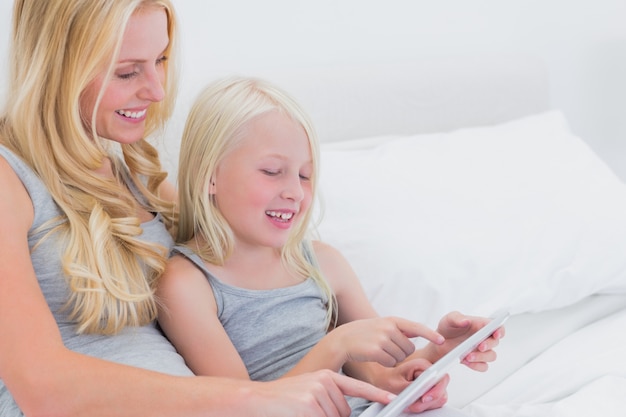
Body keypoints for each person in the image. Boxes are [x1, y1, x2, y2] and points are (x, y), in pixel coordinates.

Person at [0, 1, 398, 416]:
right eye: (127, 71)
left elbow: (261, 281)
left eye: (161, 60)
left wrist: (403, 363)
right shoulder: (8, 178)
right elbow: (41, 386)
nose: (155, 90)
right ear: (56, 66)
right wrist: (254, 398)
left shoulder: (138, 179)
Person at [156, 76, 505, 416]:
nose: (295, 191)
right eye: (273, 170)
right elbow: (242, 407)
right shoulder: (187, 283)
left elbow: (381, 377)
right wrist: (335, 346)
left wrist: (435, 354)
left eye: (305, 175)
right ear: (210, 175)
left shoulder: (321, 263)